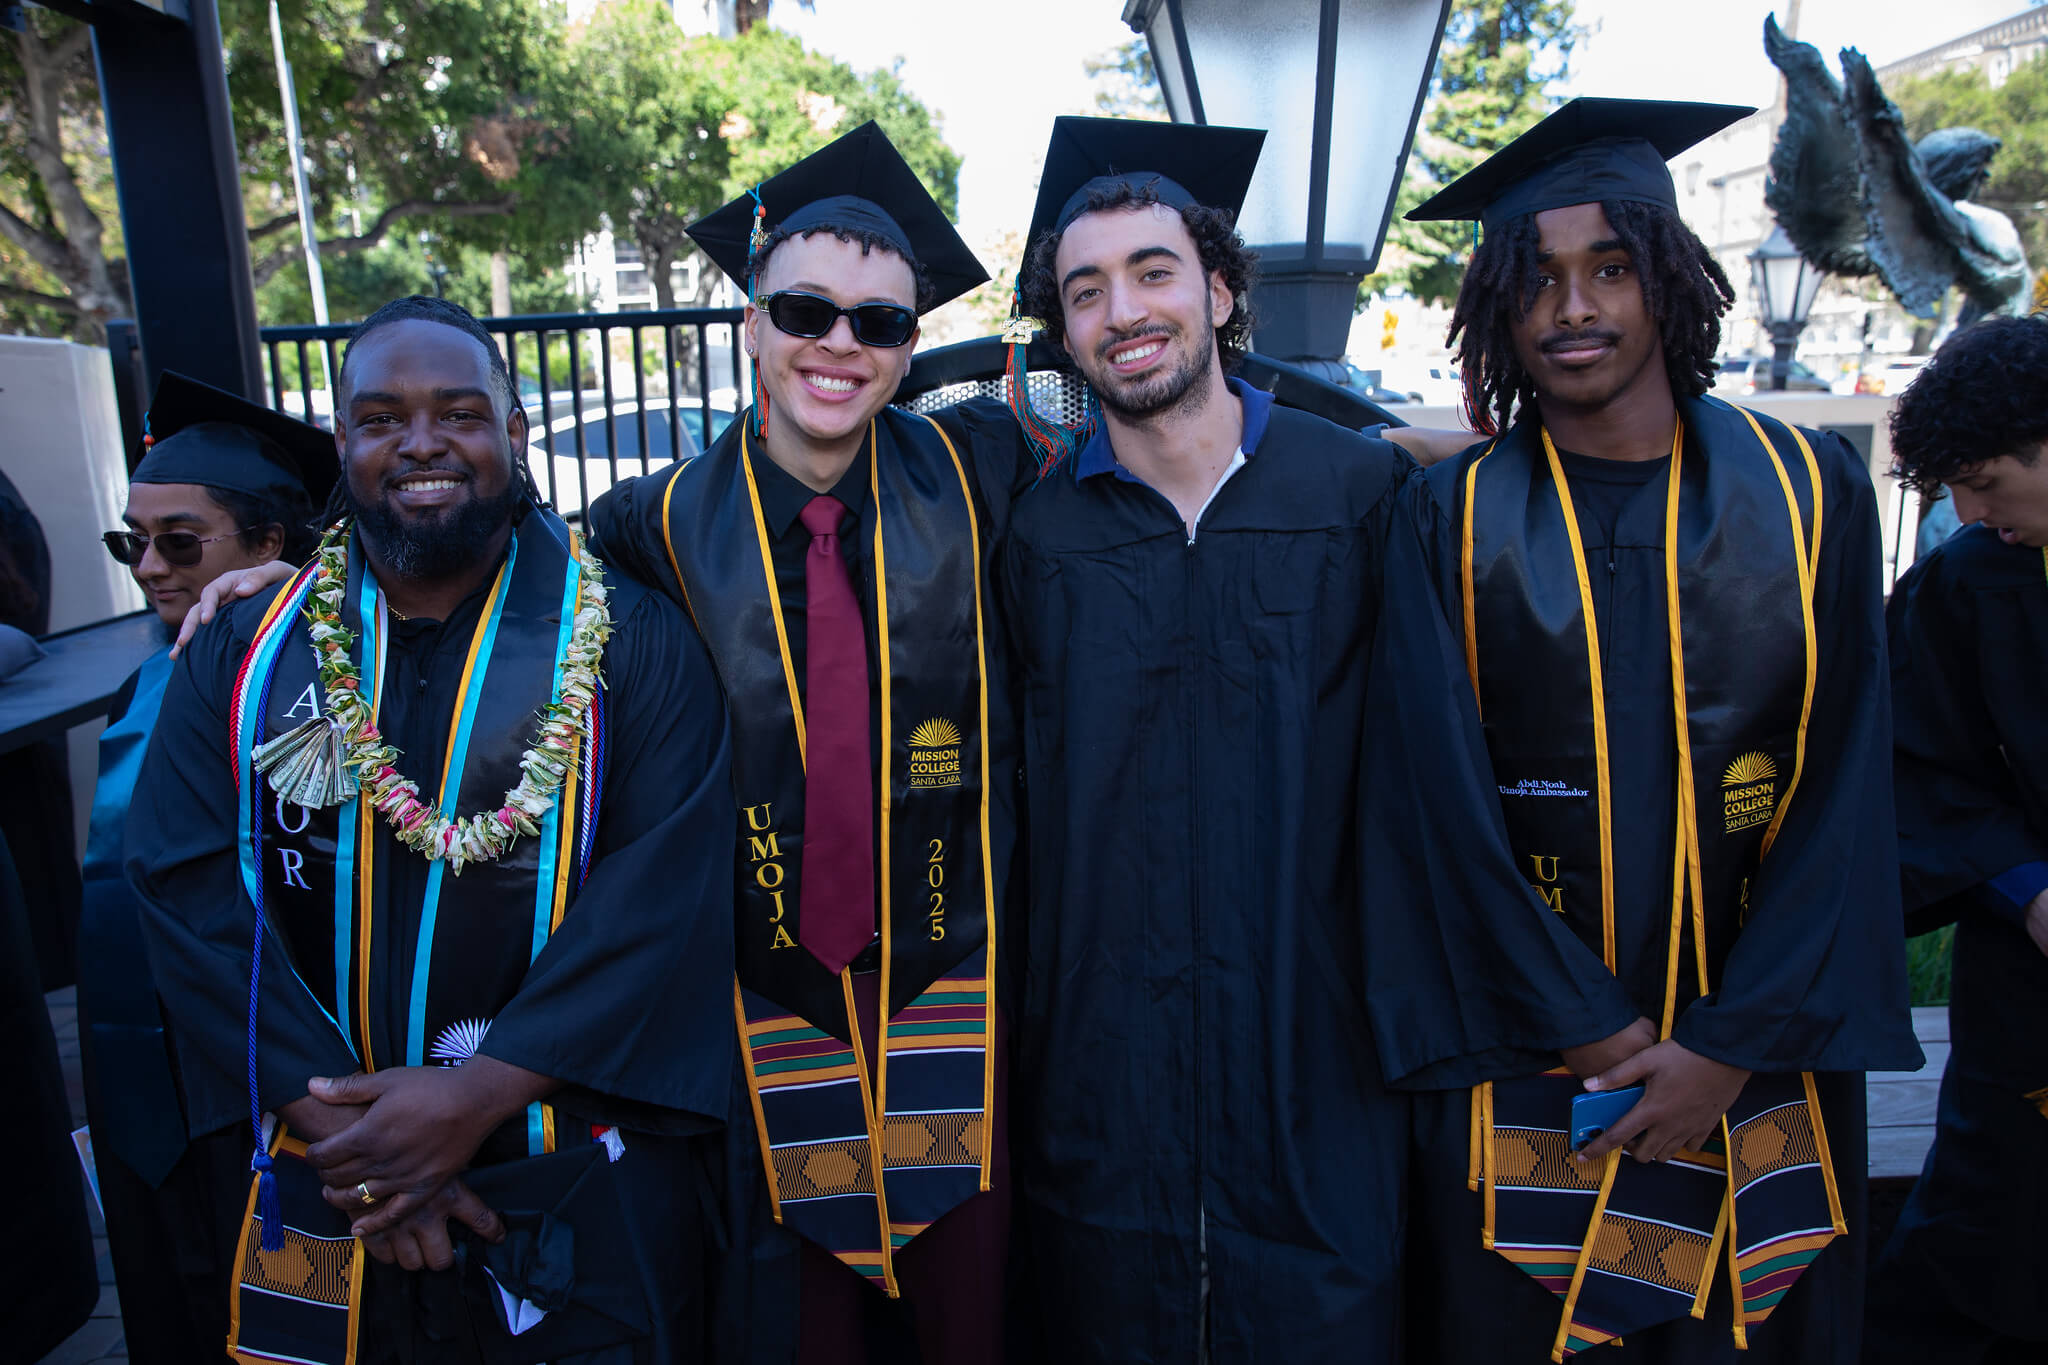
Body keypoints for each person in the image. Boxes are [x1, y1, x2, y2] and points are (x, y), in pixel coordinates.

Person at [994, 115, 1640, 1363]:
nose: (1122, 310)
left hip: (1323, 1046)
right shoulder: (1039, 538)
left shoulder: (1357, 496)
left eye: (1152, 272)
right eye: (1086, 291)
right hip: (1099, 1057)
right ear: (1064, 332)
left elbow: (1442, 767)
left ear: (1219, 290)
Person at [1382, 98, 1923, 1362]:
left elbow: (1845, 786)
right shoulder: (1445, 520)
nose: (1573, 308)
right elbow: (1432, 805)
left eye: (1608, 270)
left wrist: (1726, 1046)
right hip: (1536, 1046)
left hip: (1762, 1049)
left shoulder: (1806, 494)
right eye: (1539, 280)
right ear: (1501, 310)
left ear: (1668, 281)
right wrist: (1594, 1031)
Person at [125, 296, 739, 1363]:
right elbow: (185, 893)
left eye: (457, 412)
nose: (418, 442)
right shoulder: (244, 650)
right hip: (321, 1168)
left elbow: (659, 900)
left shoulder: (631, 642)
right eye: (378, 418)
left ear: (513, 432)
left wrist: (471, 1101)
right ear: (345, 446)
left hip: (562, 1167)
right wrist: (356, 1141)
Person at [584, 123, 1031, 1365]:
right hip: (763, 1007)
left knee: (967, 1324)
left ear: (906, 349)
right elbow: (477, 564)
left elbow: (1173, 442)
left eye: (880, 324)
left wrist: (1409, 454)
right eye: (805, 310)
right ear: (750, 327)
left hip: (962, 988)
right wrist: (287, 568)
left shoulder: (982, 467)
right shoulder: (647, 523)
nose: (839, 343)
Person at [79, 372, 331, 1363]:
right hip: (144, 1078)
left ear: (268, 547)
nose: (147, 567)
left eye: (179, 543)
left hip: (253, 1075)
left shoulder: (313, 686)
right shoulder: (146, 671)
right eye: (129, 542)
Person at [1866, 312, 2048, 1365]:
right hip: (2024, 985)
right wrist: (2022, 884)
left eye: (1984, 481)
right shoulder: (1971, 582)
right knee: (1993, 1244)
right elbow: (1911, 765)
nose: (1971, 512)